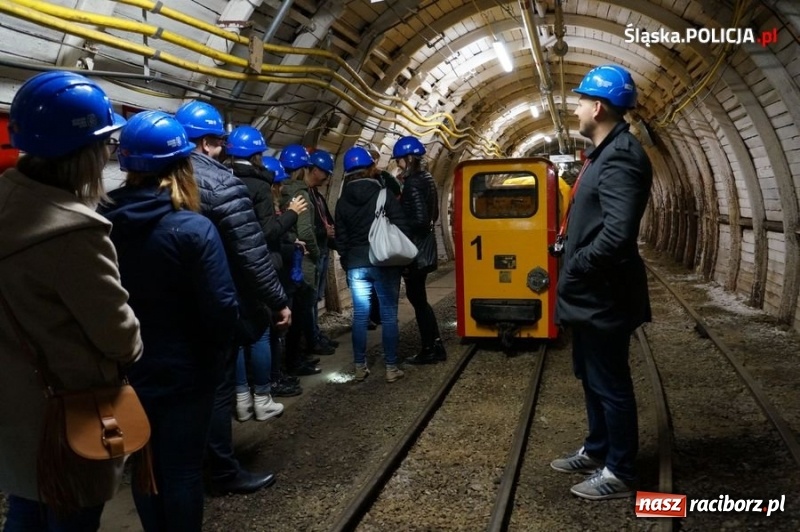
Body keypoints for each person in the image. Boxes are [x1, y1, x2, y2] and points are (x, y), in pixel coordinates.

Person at [0, 71, 143, 530]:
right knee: (70, 518)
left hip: (15, 414)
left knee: (26, 507)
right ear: (87, 152)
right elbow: (121, 339)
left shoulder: (5, 200)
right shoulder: (74, 232)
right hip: (69, 418)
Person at [99, 110, 238, 530]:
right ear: (183, 165)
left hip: (128, 371)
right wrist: (219, 354)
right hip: (187, 372)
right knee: (180, 471)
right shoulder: (193, 228)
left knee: (146, 467)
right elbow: (222, 308)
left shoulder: (101, 225)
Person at [175, 100, 290, 495]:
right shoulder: (222, 183)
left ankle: (181, 467)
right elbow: (251, 252)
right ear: (209, 143)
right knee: (217, 390)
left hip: (165, 312)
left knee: (180, 394)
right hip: (213, 304)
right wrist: (277, 300)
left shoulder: (145, 183)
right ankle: (221, 470)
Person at [549, 64, 652, 500]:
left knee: (610, 381)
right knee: (591, 377)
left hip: (604, 295)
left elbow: (618, 232)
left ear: (598, 106)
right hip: (591, 295)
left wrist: (577, 265)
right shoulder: (603, 154)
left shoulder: (622, 156)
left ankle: (621, 470)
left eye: (579, 101)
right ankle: (597, 450)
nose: (575, 110)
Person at [225, 126, 306, 419]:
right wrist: (292, 214)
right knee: (260, 332)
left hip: (228, 268)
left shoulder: (221, 179)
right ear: (257, 155)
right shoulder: (258, 186)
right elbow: (266, 232)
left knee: (235, 336)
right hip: (257, 266)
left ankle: (241, 401)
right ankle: (262, 397)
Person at [335, 146, 410, 383]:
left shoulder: (341, 201)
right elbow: (401, 226)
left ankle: (359, 367)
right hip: (383, 262)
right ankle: (390, 367)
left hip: (357, 265)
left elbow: (341, 238)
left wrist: (348, 262)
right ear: (370, 168)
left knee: (360, 316)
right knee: (388, 316)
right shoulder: (384, 194)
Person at [392, 135, 447, 365]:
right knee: (420, 299)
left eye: (399, 160)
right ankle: (434, 345)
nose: (398, 164)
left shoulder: (414, 182)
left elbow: (421, 219)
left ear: (409, 158)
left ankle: (430, 348)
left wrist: (397, 220)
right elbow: (431, 216)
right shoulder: (428, 179)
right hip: (424, 247)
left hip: (415, 250)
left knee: (418, 300)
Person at [279, 144, 326, 375]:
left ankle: (290, 361)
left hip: (284, 258)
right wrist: (316, 254)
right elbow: (306, 231)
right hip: (303, 261)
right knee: (300, 314)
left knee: (287, 313)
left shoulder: (278, 189)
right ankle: (295, 362)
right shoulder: (301, 193)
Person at [307, 150, 340, 353]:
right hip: (312, 253)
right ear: (316, 169)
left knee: (316, 298)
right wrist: (323, 230)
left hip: (322, 250)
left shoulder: (316, 195)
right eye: (325, 172)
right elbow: (305, 226)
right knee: (310, 299)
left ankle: (315, 333)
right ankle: (311, 339)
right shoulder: (304, 194)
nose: (327, 177)